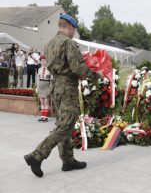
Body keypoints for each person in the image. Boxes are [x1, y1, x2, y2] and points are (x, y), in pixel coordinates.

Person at [24, 14, 104, 178]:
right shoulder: (68, 43)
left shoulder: (50, 43)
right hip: (67, 88)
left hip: (56, 86)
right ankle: (37, 155)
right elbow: (78, 68)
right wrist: (98, 75)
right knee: (66, 125)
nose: (74, 32)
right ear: (68, 26)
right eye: (73, 29)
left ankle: (67, 160)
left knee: (64, 123)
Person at [36, 55, 51, 122]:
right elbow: (37, 79)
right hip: (40, 86)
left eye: (45, 61)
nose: (43, 62)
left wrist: (50, 88)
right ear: (41, 62)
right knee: (42, 102)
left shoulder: (49, 69)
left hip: (46, 85)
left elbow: (51, 80)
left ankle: (45, 117)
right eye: (42, 61)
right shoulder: (39, 69)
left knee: (46, 102)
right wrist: (37, 87)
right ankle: (42, 116)